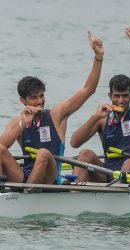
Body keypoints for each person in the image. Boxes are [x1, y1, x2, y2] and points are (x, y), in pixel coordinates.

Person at [0, 31, 104, 184]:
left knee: (43, 153)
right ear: (22, 100)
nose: (39, 101)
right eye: (33, 98)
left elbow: (88, 89)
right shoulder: (18, 122)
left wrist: (98, 57)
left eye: (41, 96)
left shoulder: (57, 115)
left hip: (51, 178)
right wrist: (23, 124)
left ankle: (27, 196)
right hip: (25, 176)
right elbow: (3, 146)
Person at [70, 26, 130, 182]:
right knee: (85, 154)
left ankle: (118, 194)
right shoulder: (103, 118)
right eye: (116, 96)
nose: (120, 101)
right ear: (110, 96)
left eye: (125, 96)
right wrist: (94, 117)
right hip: (109, 175)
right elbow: (74, 143)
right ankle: (74, 196)